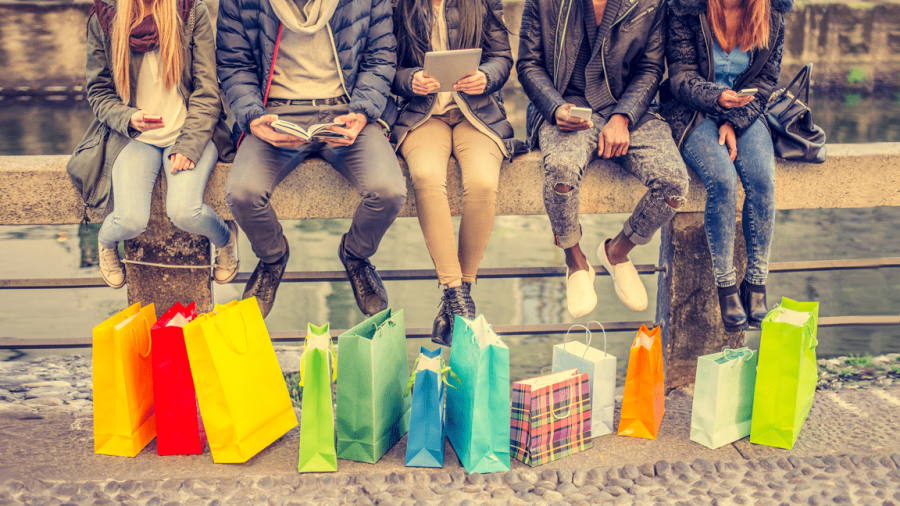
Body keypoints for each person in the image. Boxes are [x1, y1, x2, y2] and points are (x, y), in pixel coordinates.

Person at [217, 0, 407, 318]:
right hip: (274, 113)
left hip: (347, 109)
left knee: (389, 191)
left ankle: (355, 255)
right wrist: (253, 117)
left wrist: (362, 112)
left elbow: (381, 58)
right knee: (242, 193)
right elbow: (234, 66)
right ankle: (273, 258)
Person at [516, 0, 690, 318]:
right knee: (561, 171)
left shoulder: (651, 2)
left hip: (628, 110)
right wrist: (555, 108)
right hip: (565, 107)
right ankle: (575, 259)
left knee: (674, 184)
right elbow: (528, 64)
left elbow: (651, 69)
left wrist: (623, 116)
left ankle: (617, 252)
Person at [72, 0, 239, 290]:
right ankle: (105, 241)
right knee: (129, 221)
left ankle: (225, 238)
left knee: (186, 211)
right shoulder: (105, 17)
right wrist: (129, 117)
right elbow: (98, 92)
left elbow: (208, 89)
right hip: (134, 137)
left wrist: (189, 144)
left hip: (190, 132)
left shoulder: (189, 11)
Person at [390, 0, 525, 345]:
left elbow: (502, 58)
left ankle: (456, 295)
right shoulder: (398, 4)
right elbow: (383, 64)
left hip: (475, 112)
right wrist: (409, 80)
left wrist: (486, 77)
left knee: (482, 182)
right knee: (425, 177)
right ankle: (458, 295)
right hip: (422, 114)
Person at [660, 0, 791, 331]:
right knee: (722, 179)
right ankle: (726, 285)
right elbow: (680, 76)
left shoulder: (773, 13)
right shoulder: (687, 9)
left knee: (762, 179)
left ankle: (757, 282)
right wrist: (716, 98)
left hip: (745, 113)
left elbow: (766, 81)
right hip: (692, 110)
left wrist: (733, 121)